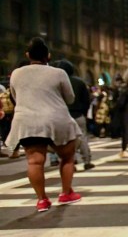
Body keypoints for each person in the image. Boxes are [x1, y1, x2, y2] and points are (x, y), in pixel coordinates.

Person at [5, 37, 82, 212]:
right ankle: (66, 193)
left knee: (35, 162)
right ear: (48, 56)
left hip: (27, 121)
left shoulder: (16, 74)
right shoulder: (59, 73)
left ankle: (42, 200)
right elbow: (70, 98)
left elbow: (15, 97)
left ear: (27, 55)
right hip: (56, 119)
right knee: (67, 157)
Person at [52, 59, 95, 170]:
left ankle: (71, 161)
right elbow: (87, 99)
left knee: (66, 140)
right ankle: (87, 161)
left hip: (62, 115)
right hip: (79, 114)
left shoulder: (56, 82)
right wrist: (84, 112)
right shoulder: (80, 82)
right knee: (83, 138)